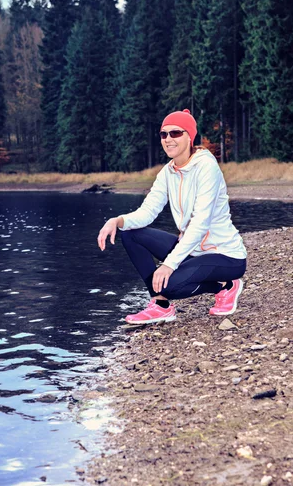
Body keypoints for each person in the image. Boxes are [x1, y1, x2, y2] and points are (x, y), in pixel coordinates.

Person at [97, 109, 247, 325]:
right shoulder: (167, 172)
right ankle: (161, 306)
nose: (168, 139)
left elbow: (200, 223)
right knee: (129, 233)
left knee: (167, 284)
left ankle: (226, 286)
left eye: (175, 133)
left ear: (190, 136)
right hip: (193, 252)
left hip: (226, 256)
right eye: (163, 134)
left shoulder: (206, 167)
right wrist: (117, 221)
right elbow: (147, 212)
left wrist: (169, 264)